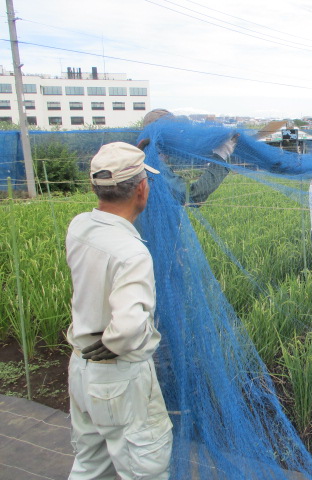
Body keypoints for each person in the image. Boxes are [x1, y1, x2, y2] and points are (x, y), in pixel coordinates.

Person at [66, 142, 173, 479]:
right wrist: (114, 342)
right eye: (147, 182)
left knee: (91, 464)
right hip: (116, 377)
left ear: (95, 187)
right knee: (146, 468)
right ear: (141, 189)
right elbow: (127, 327)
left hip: (81, 367)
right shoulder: (132, 253)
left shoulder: (80, 226)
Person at [137, 108, 239, 206]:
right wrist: (221, 155)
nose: (177, 134)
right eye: (172, 130)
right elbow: (191, 195)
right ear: (161, 133)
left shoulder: (145, 156)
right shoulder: (152, 165)